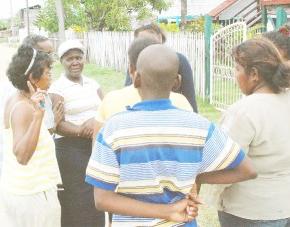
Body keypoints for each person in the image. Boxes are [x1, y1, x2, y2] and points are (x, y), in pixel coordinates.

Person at [86, 44, 257, 226]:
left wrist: (167, 212)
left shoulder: (114, 128)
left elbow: (102, 200)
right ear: (177, 82)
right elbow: (248, 170)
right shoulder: (199, 126)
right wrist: (196, 177)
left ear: (136, 79)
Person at [208, 38, 290, 227]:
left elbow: (223, 162)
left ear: (254, 74)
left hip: (250, 211)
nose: (235, 75)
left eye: (237, 69)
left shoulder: (246, 110)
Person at [0, 44, 62, 226]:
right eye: (47, 74)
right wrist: (38, 115)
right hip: (33, 194)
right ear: (33, 78)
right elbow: (22, 155)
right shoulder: (24, 108)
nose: (51, 78)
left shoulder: (18, 99)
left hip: (21, 191)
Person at [49, 39, 105, 227]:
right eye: (69, 59)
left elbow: (106, 108)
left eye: (78, 57)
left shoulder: (92, 83)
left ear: (84, 59)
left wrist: (94, 122)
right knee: (79, 197)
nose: (75, 62)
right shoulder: (58, 88)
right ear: (61, 61)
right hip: (70, 147)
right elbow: (58, 124)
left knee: (97, 192)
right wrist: (82, 130)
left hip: (95, 144)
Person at [124, 23, 198, 113]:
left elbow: (190, 98)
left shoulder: (178, 60)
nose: (147, 45)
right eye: (142, 40)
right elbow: (127, 93)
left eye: (150, 40)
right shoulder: (136, 61)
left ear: (160, 38)